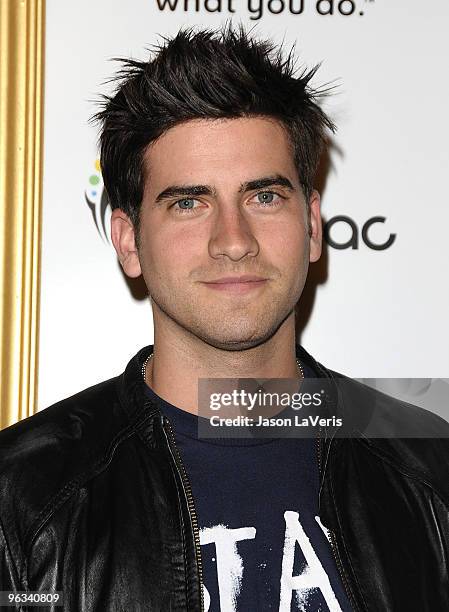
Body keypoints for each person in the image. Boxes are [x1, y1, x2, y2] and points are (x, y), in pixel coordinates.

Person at [0, 24, 448, 612]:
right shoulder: (21, 499)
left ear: (313, 226)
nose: (233, 241)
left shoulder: (433, 470)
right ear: (128, 241)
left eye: (264, 197)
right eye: (189, 203)